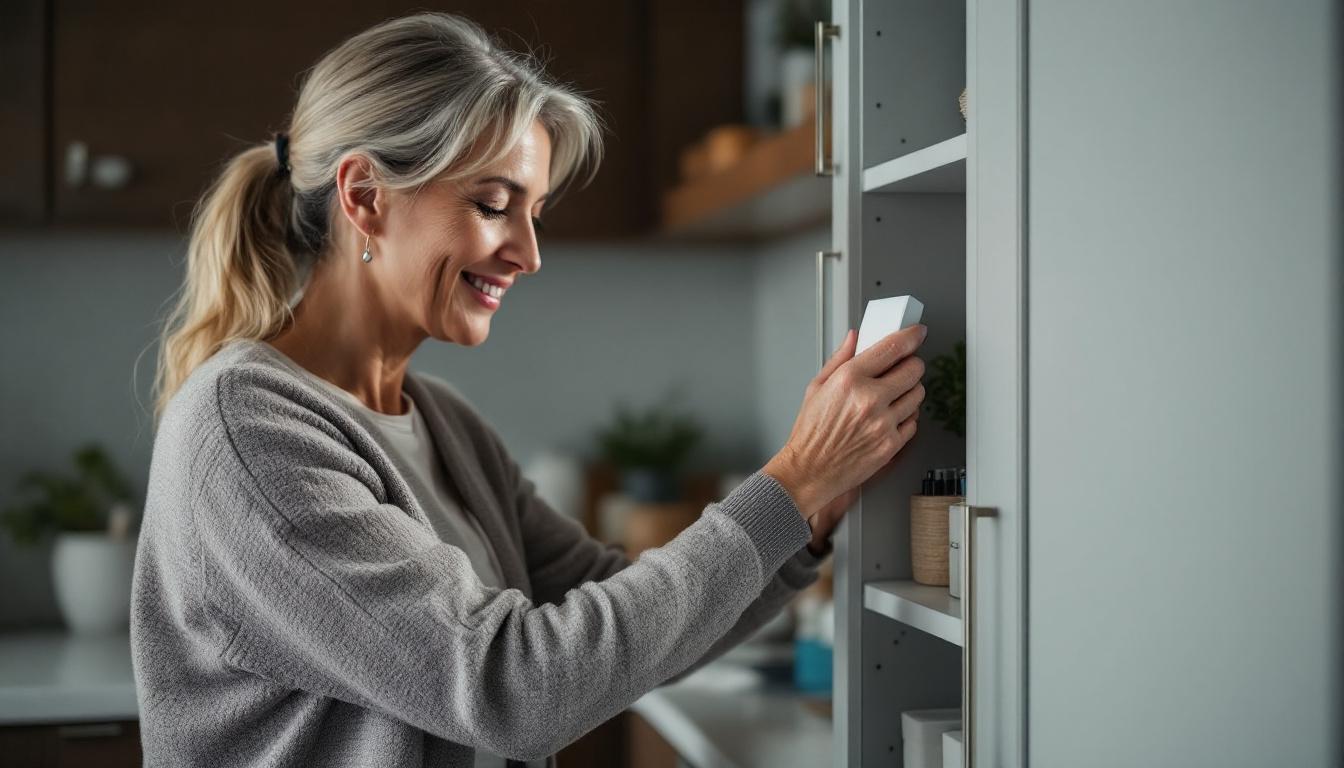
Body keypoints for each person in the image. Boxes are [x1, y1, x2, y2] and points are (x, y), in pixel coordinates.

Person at [131, 11, 926, 768]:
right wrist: (789, 483)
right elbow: (516, 687)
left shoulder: (445, 423)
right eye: (492, 205)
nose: (528, 253)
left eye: (535, 212)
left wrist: (806, 519)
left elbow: (619, 616)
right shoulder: (245, 431)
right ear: (365, 197)